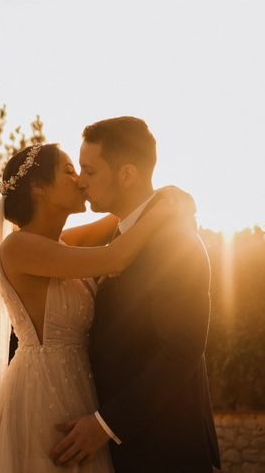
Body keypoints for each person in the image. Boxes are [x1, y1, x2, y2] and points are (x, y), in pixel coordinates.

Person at [0, 141, 193, 472]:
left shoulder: (61, 245)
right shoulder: (17, 248)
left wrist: (164, 197)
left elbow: (124, 224)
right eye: (69, 171)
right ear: (39, 187)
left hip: (80, 388)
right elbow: (116, 256)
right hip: (41, 395)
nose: (80, 181)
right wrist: (167, 208)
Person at [50, 116, 221, 472]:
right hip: (132, 451)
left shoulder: (176, 244)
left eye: (89, 171)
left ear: (126, 175)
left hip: (169, 451)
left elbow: (182, 351)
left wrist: (105, 424)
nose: (81, 181)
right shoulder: (119, 236)